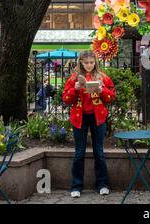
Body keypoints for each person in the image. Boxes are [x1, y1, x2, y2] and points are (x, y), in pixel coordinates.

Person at [62, 50, 116, 198]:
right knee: (79, 153)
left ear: (95, 62)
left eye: (91, 62)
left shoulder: (102, 77)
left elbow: (111, 96)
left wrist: (101, 90)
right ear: (81, 62)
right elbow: (66, 98)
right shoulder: (74, 78)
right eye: (86, 63)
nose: (89, 65)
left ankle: (103, 184)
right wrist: (75, 89)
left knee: (99, 152)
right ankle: (76, 186)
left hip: (97, 117)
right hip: (80, 118)